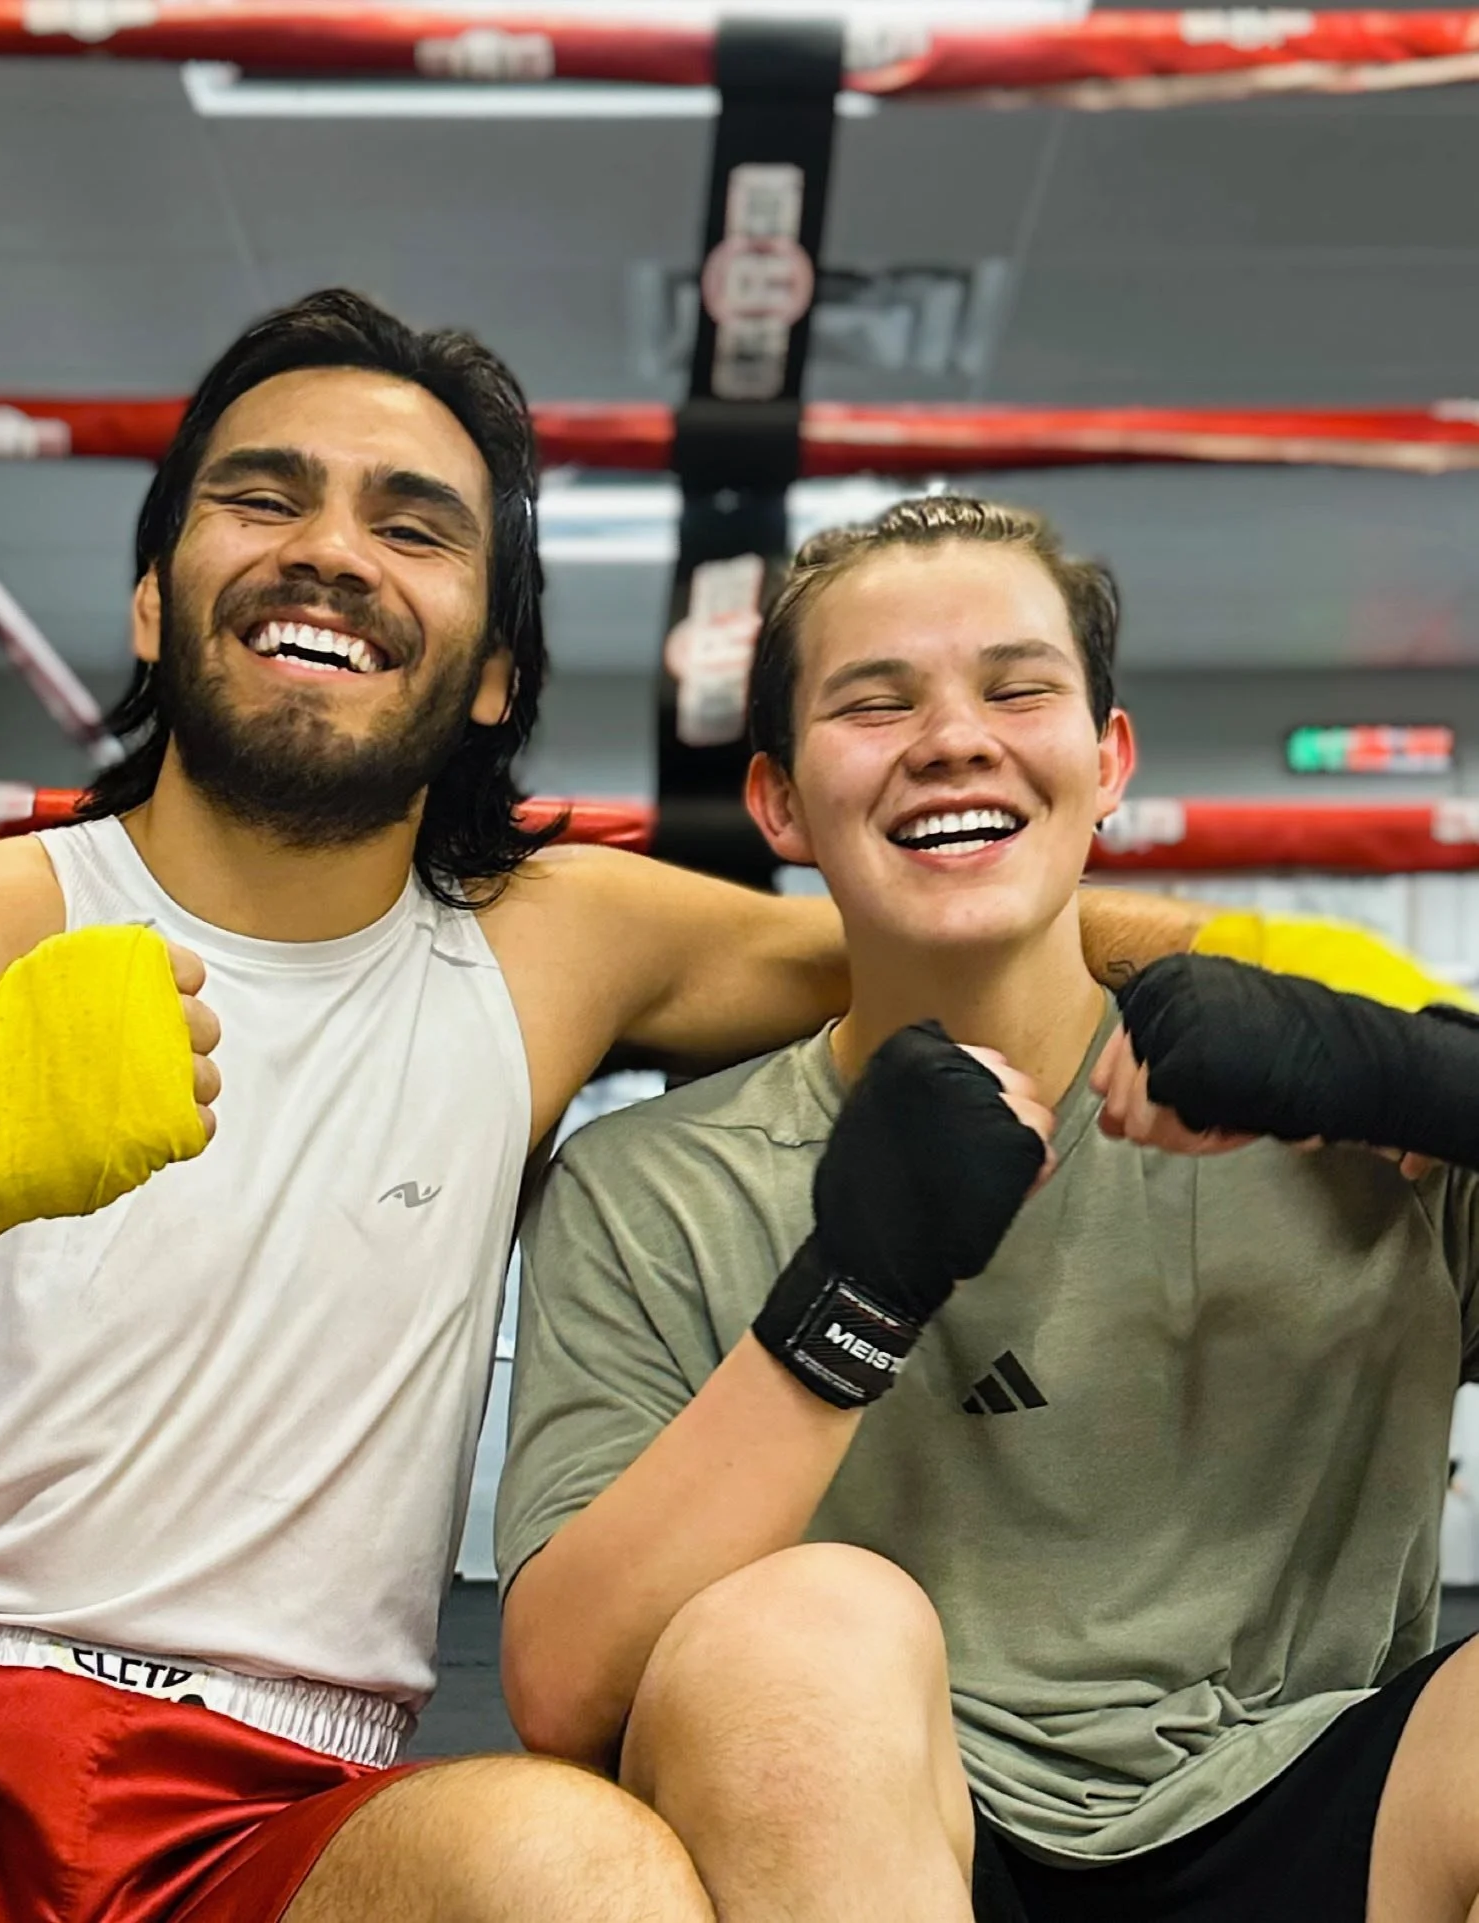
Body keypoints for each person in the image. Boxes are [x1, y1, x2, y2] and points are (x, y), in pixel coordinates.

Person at [0, 291, 1435, 1921]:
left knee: (587, 1875)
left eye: (412, 524)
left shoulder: (561, 943)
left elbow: (922, 905)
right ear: (155, 601)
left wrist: (1341, 1019)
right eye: (263, 496)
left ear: (497, 673)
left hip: (279, 1794)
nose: (332, 552)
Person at [496, 494, 1479, 1923]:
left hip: (1315, 1806)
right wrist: (852, 1291)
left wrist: (1422, 1081)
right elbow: (561, 1680)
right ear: (778, 799)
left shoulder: (1336, 1121)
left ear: (1107, 760)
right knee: (799, 1627)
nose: (955, 735)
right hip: (884, 1824)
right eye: (875, 702)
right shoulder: (660, 1184)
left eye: (1016, 688)